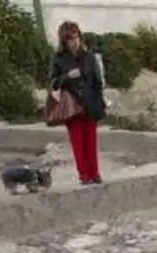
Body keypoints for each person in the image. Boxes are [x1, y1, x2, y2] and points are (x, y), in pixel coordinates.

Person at [49, 21, 105, 185]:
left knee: (91, 141)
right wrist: (67, 77)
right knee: (78, 142)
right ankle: (84, 175)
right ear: (64, 41)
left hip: (89, 103)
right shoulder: (59, 59)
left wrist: (99, 102)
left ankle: (95, 173)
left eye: (76, 37)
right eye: (70, 39)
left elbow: (97, 81)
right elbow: (53, 82)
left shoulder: (89, 57)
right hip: (72, 105)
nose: (74, 42)